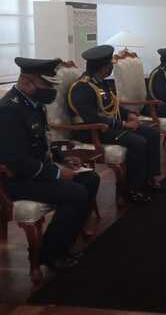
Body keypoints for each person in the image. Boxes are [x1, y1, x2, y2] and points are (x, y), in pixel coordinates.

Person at [0, 57, 100, 269]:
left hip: (36, 172)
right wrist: (57, 173)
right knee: (75, 193)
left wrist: (63, 159)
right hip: (16, 180)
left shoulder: (34, 104)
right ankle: (50, 254)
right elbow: (16, 161)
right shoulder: (9, 110)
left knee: (90, 178)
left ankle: (63, 240)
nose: (51, 90)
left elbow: (42, 140)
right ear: (26, 82)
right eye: (46, 84)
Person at [68, 45, 166, 203]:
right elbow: (92, 118)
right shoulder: (82, 88)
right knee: (137, 142)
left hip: (108, 127)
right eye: (109, 65)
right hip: (91, 131)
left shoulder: (100, 83)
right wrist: (123, 124)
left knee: (152, 134)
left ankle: (150, 178)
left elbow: (113, 104)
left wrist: (128, 114)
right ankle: (133, 189)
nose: (111, 68)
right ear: (102, 68)